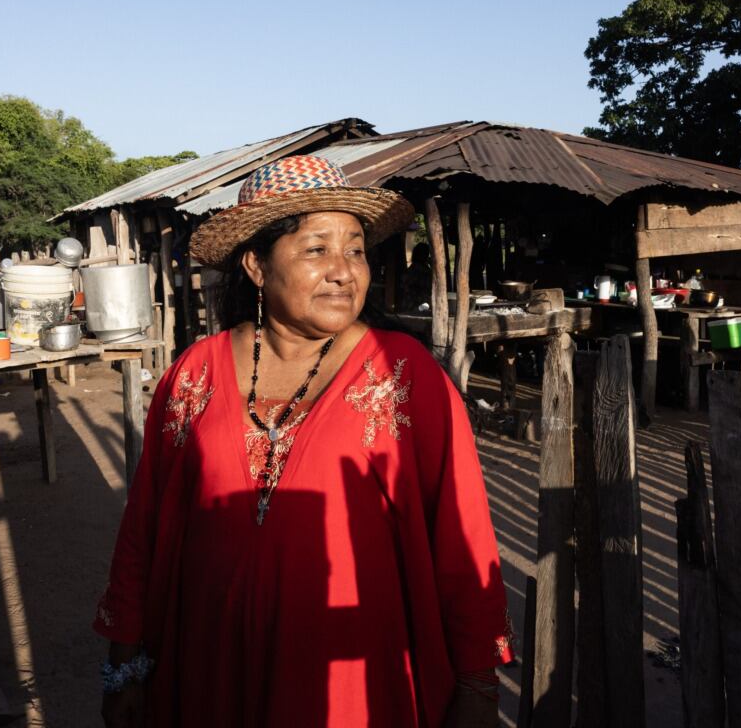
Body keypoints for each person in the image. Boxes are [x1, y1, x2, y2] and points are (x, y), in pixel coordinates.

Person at [95, 155, 513, 727]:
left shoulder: (404, 374)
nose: (344, 270)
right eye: (317, 249)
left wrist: (477, 685)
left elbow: (461, 533)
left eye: (356, 249)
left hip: (353, 681)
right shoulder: (194, 372)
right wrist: (124, 664)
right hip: (209, 670)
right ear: (257, 266)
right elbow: (144, 525)